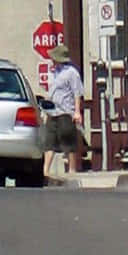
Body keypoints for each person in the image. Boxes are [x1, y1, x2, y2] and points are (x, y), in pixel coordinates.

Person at [41, 44, 85, 178]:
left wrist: (77, 111)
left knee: (68, 140)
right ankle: (45, 170)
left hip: (66, 111)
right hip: (53, 111)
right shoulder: (54, 72)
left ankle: (71, 169)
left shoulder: (71, 73)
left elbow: (77, 92)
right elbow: (51, 92)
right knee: (50, 141)